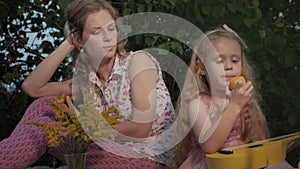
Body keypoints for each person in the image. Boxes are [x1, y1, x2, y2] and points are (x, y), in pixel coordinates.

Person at [0, 0, 175, 168]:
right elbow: (32, 88)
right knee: (45, 105)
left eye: (111, 28)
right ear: (80, 41)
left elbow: (141, 130)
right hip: (104, 154)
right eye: (97, 32)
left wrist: (85, 123)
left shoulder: (138, 62)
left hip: (148, 161)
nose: (108, 38)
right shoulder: (87, 82)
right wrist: (68, 42)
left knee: (46, 129)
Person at [172, 25, 274, 169]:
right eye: (220, 61)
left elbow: (262, 142)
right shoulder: (197, 104)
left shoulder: (245, 100)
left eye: (234, 60)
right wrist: (234, 106)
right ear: (201, 68)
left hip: (244, 161)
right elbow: (210, 145)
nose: (228, 66)